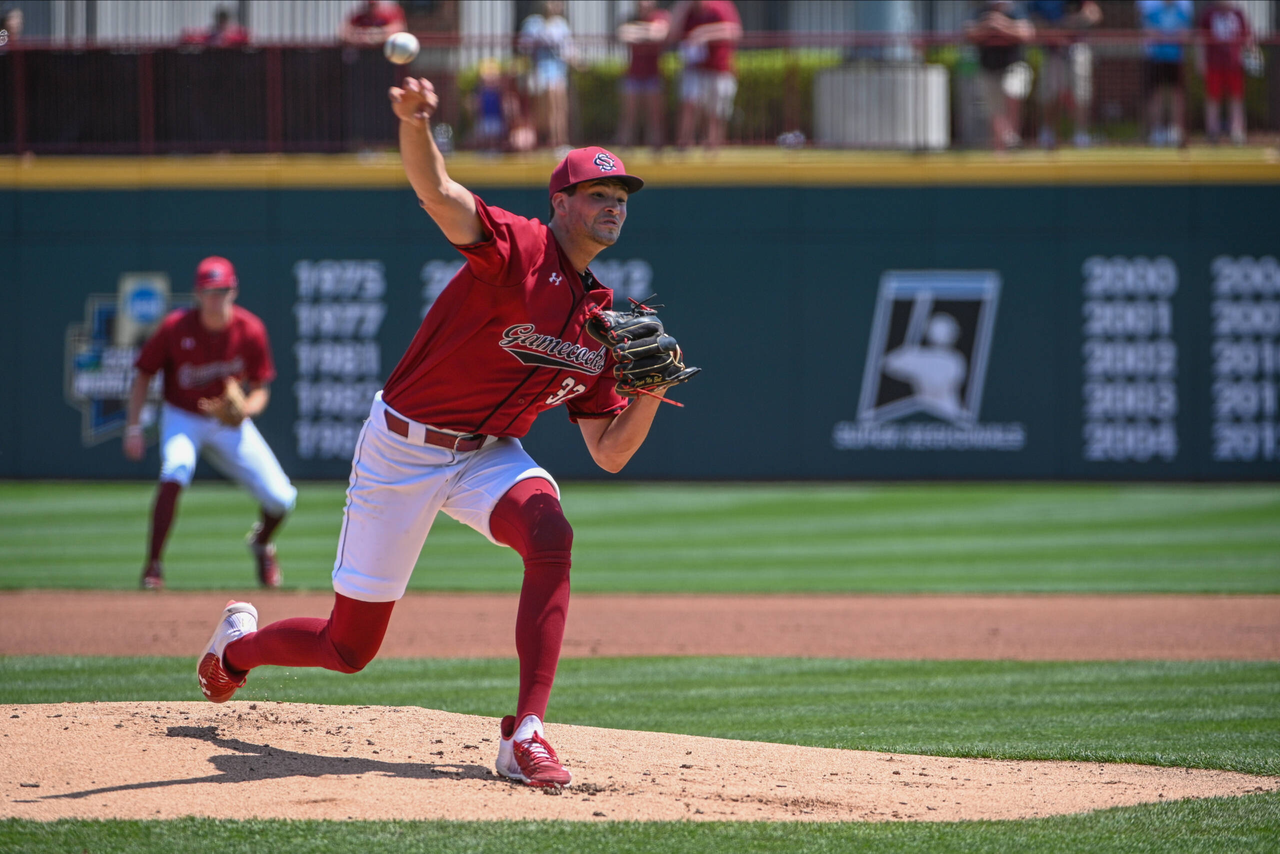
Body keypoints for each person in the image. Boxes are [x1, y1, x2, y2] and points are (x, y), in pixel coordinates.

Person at [195, 76, 689, 790]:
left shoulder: (601, 321)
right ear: (560, 203)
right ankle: (237, 649)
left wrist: (652, 391)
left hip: (489, 456)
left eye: (620, 198)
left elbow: (609, 453)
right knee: (348, 648)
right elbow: (437, 192)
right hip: (403, 448)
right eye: (597, 194)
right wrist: (415, 123)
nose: (613, 205)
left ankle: (525, 733)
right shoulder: (517, 248)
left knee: (551, 535)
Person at [125, 256, 296, 591]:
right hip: (183, 416)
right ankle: (153, 566)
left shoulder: (250, 329)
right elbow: (143, 373)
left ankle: (262, 543)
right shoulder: (175, 327)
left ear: (234, 291)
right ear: (197, 293)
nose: (216, 298)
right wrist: (133, 428)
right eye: (209, 291)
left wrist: (246, 409)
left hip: (228, 423)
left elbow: (261, 388)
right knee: (176, 468)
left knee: (282, 498)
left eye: (222, 291)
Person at [1027, 0, 1102, 149]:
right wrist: (1053, 29)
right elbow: (1032, 20)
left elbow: (1095, 15)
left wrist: (1072, 21)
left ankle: (1081, 135)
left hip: (1077, 49)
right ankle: (1047, 133)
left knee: (1081, 94)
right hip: (1052, 51)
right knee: (1050, 94)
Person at [670, 0, 742, 151]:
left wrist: (704, 33)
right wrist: (681, 6)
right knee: (689, 104)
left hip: (719, 70)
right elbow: (671, 34)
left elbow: (734, 31)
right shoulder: (687, 10)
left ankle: (712, 147)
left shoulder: (721, 6)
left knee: (716, 111)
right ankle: (684, 144)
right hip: (694, 69)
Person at [965, 0, 1035, 152]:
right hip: (988, 67)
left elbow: (1027, 34)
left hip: (1014, 65)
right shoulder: (980, 12)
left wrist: (1001, 25)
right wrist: (988, 25)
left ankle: (1011, 137)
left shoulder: (1016, 10)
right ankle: (1001, 148)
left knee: (1012, 91)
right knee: (994, 109)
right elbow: (969, 33)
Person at [615, 0, 672, 150]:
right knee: (628, 114)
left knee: (655, 115)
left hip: (653, 75)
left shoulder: (660, 16)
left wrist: (638, 31)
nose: (643, 4)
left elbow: (659, 34)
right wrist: (648, 31)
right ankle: (624, 147)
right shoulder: (630, 18)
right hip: (633, 75)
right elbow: (623, 34)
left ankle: (656, 149)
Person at [518, 0, 574, 152]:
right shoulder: (533, 23)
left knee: (559, 107)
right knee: (544, 111)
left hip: (558, 73)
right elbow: (524, 47)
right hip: (540, 74)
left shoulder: (561, 24)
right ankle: (545, 141)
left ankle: (560, 141)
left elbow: (568, 49)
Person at [1137, 0, 1193, 147]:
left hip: (1176, 59)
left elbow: (1186, 34)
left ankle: (1175, 130)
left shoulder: (1180, 12)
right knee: (1157, 95)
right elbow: (1149, 32)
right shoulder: (1154, 12)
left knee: (1177, 95)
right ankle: (1157, 131)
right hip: (1157, 58)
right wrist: (1170, 36)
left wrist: (1166, 36)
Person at [1197, 0, 1253, 146]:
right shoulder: (1208, 14)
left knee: (1236, 98)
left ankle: (1237, 132)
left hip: (1234, 64)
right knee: (1213, 98)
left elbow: (1247, 37)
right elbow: (1201, 40)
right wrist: (1201, 60)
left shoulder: (1238, 14)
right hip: (1214, 64)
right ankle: (1212, 132)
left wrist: (1250, 54)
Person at [340, 0, 407, 46]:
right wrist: (359, 37)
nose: (371, 7)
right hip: (364, 53)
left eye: (373, 5)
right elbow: (343, 32)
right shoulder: (360, 17)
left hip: (383, 51)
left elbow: (399, 28)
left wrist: (377, 36)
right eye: (370, 5)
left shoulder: (389, 13)